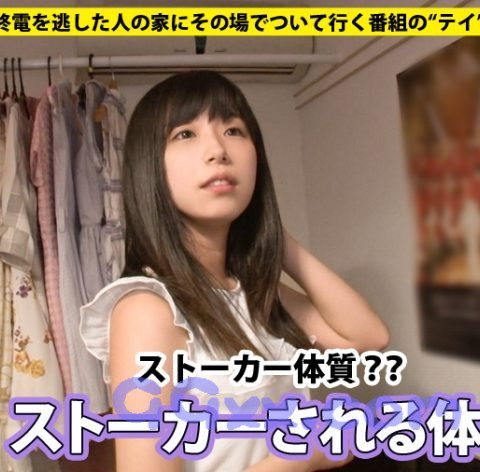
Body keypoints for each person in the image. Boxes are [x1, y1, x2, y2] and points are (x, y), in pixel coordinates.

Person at [79, 70, 390, 472]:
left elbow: (368, 339)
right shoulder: (148, 310)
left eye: (233, 130)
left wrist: (273, 236)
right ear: (149, 167)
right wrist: (301, 456)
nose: (217, 150)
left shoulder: (252, 293)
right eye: (185, 134)